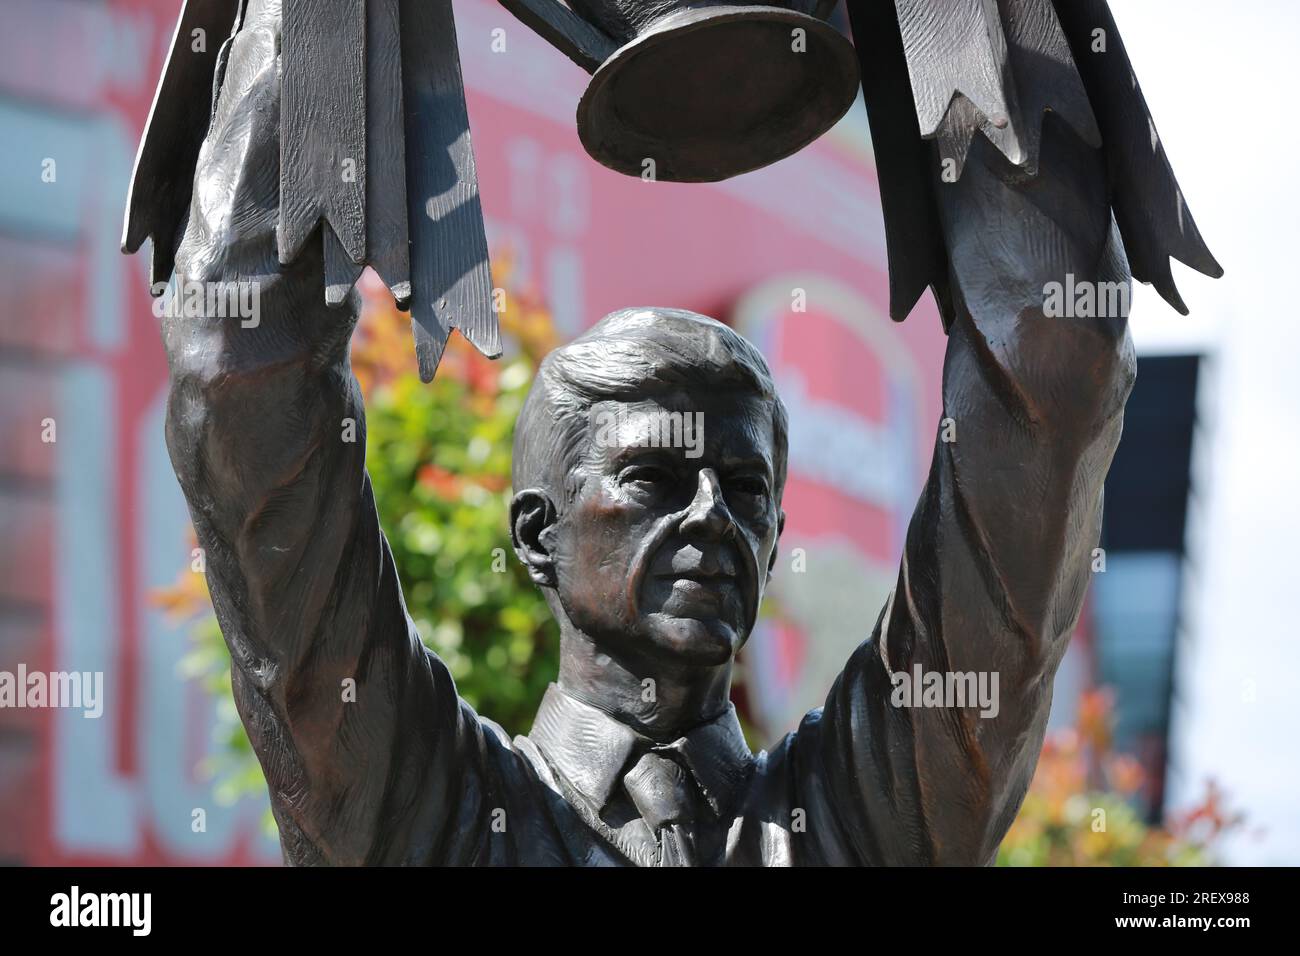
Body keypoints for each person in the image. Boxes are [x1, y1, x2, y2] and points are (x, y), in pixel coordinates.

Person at [150, 0, 1213, 866]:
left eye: (746, 491)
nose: (713, 515)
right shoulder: (423, 816)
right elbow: (237, 371)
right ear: (536, 533)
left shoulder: (861, 822)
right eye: (654, 478)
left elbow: (1047, 361)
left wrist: (962, 16)